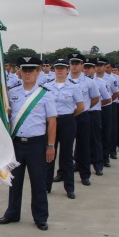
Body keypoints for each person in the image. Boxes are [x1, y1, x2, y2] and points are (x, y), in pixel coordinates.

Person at [0, 56, 57, 231]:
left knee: (38, 182)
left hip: (37, 144)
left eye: (32, 70)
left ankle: (40, 217)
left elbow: (52, 122)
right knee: (14, 181)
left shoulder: (46, 94)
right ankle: (12, 212)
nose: (28, 73)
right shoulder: (12, 93)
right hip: (16, 143)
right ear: (20, 72)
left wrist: (50, 146)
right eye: (25, 70)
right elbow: (6, 116)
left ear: (38, 72)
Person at [46, 59, 84, 199]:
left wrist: (69, 116)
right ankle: (46, 185)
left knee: (67, 155)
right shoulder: (47, 86)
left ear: (67, 70)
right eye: (57, 68)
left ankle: (69, 187)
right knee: (49, 154)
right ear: (54, 70)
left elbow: (80, 107)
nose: (59, 70)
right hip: (51, 121)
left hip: (67, 121)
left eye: (62, 68)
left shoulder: (73, 87)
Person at [68, 53, 99, 186]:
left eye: (77, 63)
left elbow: (95, 98)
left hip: (82, 116)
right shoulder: (63, 79)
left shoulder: (89, 81)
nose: (74, 66)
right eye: (72, 63)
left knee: (84, 146)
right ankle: (63, 172)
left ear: (82, 65)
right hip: (67, 117)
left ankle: (85, 174)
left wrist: (84, 108)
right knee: (66, 147)